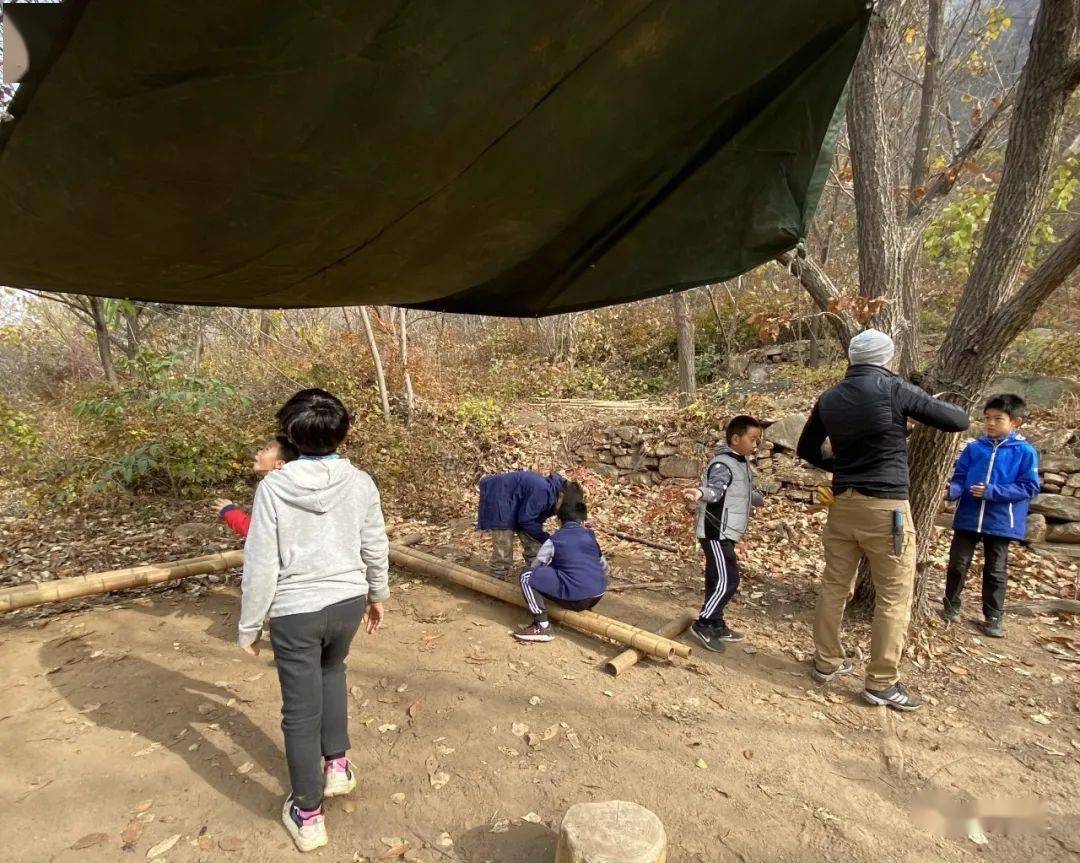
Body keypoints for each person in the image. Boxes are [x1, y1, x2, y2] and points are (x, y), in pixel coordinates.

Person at [239, 388, 389, 853]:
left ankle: (307, 813)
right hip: (347, 601)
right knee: (333, 673)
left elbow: (262, 562)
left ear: (289, 435)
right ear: (341, 432)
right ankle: (337, 766)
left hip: (296, 611)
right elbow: (374, 542)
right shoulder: (360, 481)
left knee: (300, 713)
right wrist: (378, 592)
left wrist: (250, 624)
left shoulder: (273, 488)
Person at [797, 329, 969, 712]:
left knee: (834, 586)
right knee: (893, 597)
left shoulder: (830, 397)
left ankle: (826, 662)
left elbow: (806, 448)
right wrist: (923, 398)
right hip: (886, 508)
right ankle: (881, 682)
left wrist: (840, 465)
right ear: (885, 358)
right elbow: (956, 420)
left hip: (843, 504)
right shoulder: (893, 388)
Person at [942, 393, 1040, 638]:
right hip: (968, 517)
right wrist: (951, 492)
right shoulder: (975, 448)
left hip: (1001, 522)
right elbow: (960, 478)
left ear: (1015, 422)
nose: (991, 423)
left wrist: (993, 492)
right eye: (987, 418)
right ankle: (950, 605)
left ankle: (994, 616)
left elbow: (1029, 486)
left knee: (996, 570)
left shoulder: (1025, 451)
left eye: (998, 418)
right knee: (957, 563)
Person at [682, 415, 764, 652]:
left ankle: (716, 622)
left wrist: (756, 499)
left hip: (727, 530)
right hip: (716, 530)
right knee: (729, 579)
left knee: (717, 577)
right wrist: (700, 493)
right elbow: (715, 490)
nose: (755, 445)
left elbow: (738, 492)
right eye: (752, 439)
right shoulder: (722, 464)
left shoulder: (739, 462)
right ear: (736, 438)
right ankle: (704, 622)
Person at [513, 483, 608, 643]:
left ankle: (542, 625)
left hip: (578, 597)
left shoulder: (555, 540)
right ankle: (583, 600)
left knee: (526, 576)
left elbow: (535, 567)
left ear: (560, 518)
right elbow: (604, 566)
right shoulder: (590, 536)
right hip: (598, 594)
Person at [476, 470, 567, 580]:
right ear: (561, 496)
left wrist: (542, 538)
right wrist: (545, 538)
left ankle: (535, 576)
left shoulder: (553, 493)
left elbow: (530, 519)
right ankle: (496, 580)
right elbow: (526, 520)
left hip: (520, 508)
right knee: (503, 549)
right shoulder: (543, 491)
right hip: (501, 499)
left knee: (534, 545)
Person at [213, 433, 300, 537]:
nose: (258, 452)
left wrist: (229, 511)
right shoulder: (291, 487)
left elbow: (257, 531)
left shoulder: (271, 489)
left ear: (280, 464)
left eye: (266, 449)